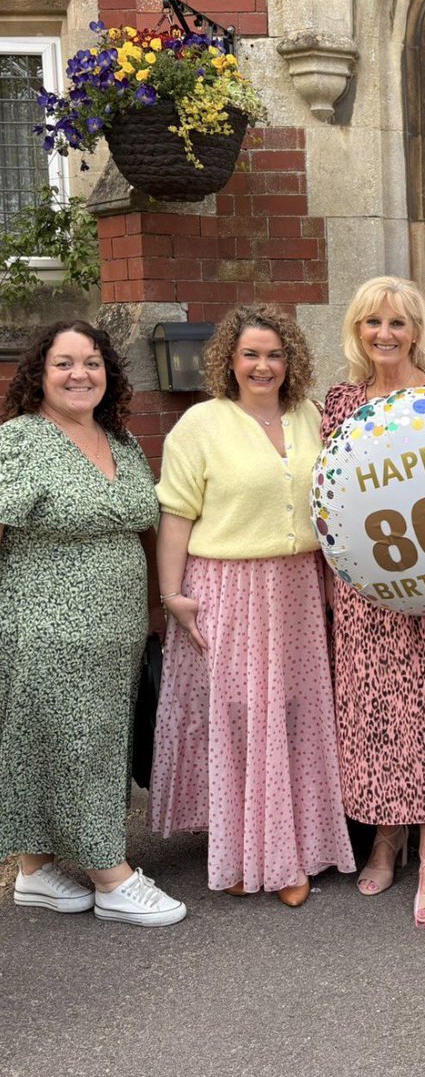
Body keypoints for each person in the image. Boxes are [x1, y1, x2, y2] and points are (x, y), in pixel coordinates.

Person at [150, 304, 355, 907]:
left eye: (274, 354)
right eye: (251, 354)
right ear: (230, 362)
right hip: (226, 587)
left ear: (290, 360)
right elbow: (176, 515)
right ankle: (240, 851)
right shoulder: (201, 424)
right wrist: (171, 596)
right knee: (237, 717)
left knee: (291, 715)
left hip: (295, 583)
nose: (263, 365)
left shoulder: (311, 418)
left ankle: (288, 851)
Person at [1, 321, 185, 927]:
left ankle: (34, 869)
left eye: (92, 363)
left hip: (117, 628)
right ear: (40, 374)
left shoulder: (120, 439)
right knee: (78, 742)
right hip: (46, 622)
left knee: (79, 741)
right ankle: (113, 876)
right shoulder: (23, 439)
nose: (80, 374)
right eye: (64, 363)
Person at [322, 276, 425, 925]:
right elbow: (330, 496)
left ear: (419, 330)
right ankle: (386, 833)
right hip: (369, 592)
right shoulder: (340, 401)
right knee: (384, 720)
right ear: (357, 331)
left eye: (398, 323)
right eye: (373, 323)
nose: (385, 335)